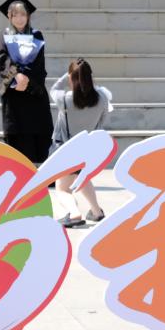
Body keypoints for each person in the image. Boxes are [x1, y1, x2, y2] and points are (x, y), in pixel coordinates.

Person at [49, 58, 111, 228]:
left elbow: (53, 89)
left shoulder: (64, 99)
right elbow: (101, 122)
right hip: (88, 149)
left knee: (62, 189)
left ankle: (74, 214)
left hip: (66, 149)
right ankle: (97, 212)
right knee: (82, 179)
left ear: (71, 77)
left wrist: (68, 74)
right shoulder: (103, 98)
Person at [0, 0, 54, 168]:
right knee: (18, 141)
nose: (19, 19)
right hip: (14, 98)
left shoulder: (37, 36)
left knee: (40, 138)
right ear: (9, 16)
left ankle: (42, 175)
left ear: (28, 16)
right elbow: (3, 61)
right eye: (15, 15)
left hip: (34, 95)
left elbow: (39, 65)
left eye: (23, 14)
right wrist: (16, 76)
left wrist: (27, 81)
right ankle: (21, 175)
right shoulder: (4, 36)